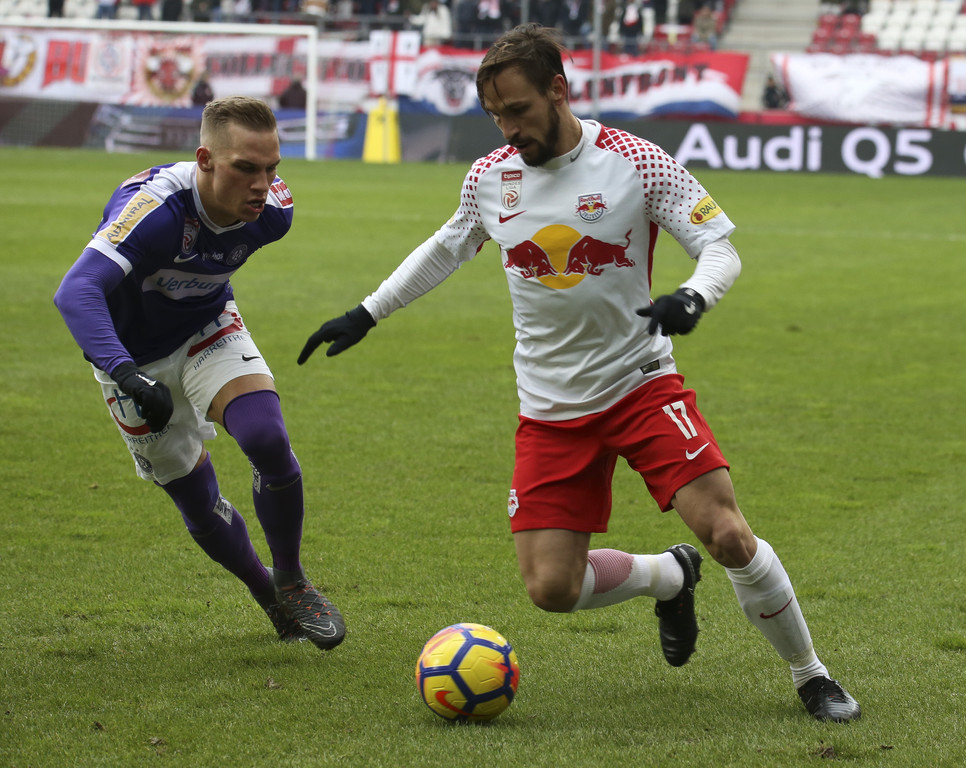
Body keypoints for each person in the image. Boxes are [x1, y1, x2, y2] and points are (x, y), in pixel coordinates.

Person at [298, 24, 861, 720]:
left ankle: (812, 676)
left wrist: (693, 296)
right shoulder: (489, 177)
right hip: (549, 407)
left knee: (726, 533)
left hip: (640, 383)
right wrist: (367, 312)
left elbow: (718, 245)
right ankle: (667, 576)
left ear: (558, 90)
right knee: (551, 588)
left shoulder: (636, 161)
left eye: (518, 110)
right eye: (495, 116)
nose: (509, 129)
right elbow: (447, 247)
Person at [54, 96, 345, 652]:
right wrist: (126, 374)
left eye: (272, 168)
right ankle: (266, 593)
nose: (262, 185)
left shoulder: (275, 212)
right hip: (129, 358)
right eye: (246, 168)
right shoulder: (155, 210)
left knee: (267, 437)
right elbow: (76, 290)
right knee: (195, 496)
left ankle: (292, 580)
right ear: (204, 160)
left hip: (206, 325)